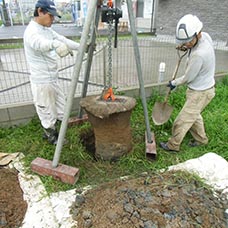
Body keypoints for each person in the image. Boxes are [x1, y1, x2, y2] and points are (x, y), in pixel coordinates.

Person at [23, 0, 80, 145]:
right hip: (41, 80)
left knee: (61, 107)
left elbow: (62, 39)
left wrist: (82, 46)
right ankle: (51, 136)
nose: (53, 19)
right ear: (40, 11)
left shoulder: (46, 29)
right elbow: (39, 44)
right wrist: (54, 45)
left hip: (53, 78)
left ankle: (57, 131)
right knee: (47, 110)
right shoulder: (31, 31)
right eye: (50, 15)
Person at [160, 14, 215, 152]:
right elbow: (193, 46)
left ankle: (173, 145)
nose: (186, 44)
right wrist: (187, 46)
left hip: (200, 93)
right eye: (184, 41)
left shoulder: (199, 55)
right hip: (204, 88)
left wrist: (174, 83)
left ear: (198, 34)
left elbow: (188, 77)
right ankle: (201, 140)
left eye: (188, 41)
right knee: (194, 116)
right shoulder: (205, 37)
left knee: (182, 121)